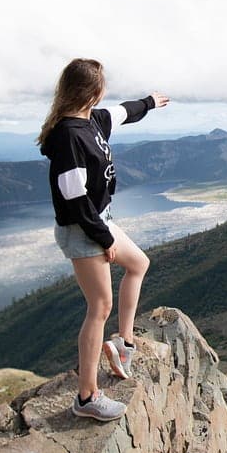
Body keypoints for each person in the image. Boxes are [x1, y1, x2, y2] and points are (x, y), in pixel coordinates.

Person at [37, 58, 169, 421]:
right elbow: (73, 197)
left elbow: (125, 112)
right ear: (93, 91)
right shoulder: (69, 136)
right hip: (83, 229)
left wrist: (150, 102)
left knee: (139, 263)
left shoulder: (92, 120)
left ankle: (123, 345)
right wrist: (103, 238)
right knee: (99, 307)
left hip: (98, 221)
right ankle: (86, 397)